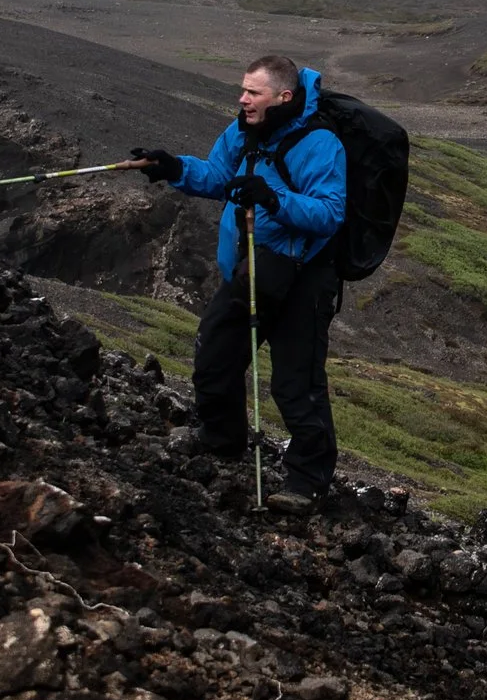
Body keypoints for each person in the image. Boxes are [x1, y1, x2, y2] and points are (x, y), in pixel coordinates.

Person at [129, 54, 347, 510]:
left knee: (296, 383)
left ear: (283, 97)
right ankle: (222, 439)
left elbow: (329, 214)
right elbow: (218, 176)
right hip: (249, 272)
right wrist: (173, 168)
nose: (242, 98)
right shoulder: (243, 132)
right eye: (243, 89)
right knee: (214, 357)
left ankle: (307, 481)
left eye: (253, 92)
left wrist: (273, 198)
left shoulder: (321, 143)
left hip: (303, 279)